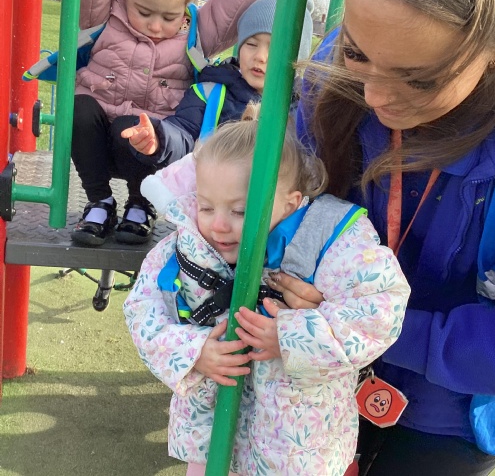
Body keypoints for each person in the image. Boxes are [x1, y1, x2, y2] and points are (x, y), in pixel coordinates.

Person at [267, 0, 495, 475]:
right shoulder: (335, 80)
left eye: (419, 80)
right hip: (318, 366)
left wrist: (363, 326)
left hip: (453, 406)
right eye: (356, 52)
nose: (373, 95)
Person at [123, 104, 411, 475]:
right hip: (212, 436)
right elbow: (142, 311)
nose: (219, 225)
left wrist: (292, 337)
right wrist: (192, 353)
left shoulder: (329, 240)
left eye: (240, 212)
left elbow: (381, 308)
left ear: (290, 202)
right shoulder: (185, 245)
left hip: (296, 445)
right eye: (207, 207)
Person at [62, 0, 272, 246]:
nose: (155, 25)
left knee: (137, 125)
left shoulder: (196, 32)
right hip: (94, 142)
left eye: (169, 17)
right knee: (78, 108)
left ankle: (140, 204)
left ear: (186, 6)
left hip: (148, 151)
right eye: (144, 12)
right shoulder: (105, 12)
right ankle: (99, 202)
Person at [120, 0, 313, 214]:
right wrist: (159, 137)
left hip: (273, 216)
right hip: (210, 213)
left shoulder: (306, 110)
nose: (260, 56)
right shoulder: (210, 92)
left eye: (277, 48)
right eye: (251, 44)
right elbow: (183, 134)